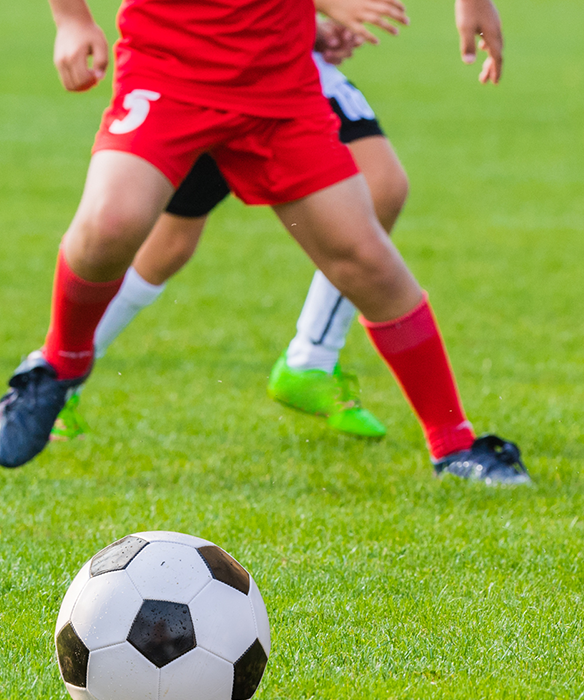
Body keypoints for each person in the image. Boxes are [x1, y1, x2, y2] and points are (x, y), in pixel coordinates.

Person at [0, 0, 532, 486]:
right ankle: (58, 366)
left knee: (366, 258)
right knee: (112, 222)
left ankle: (454, 445)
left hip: (276, 87)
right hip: (168, 70)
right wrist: (72, 18)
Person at [57, 20, 408, 442]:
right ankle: (58, 376)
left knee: (382, 185)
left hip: (283, 67)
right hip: (215, 64)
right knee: (169, 244)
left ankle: (312, 358)